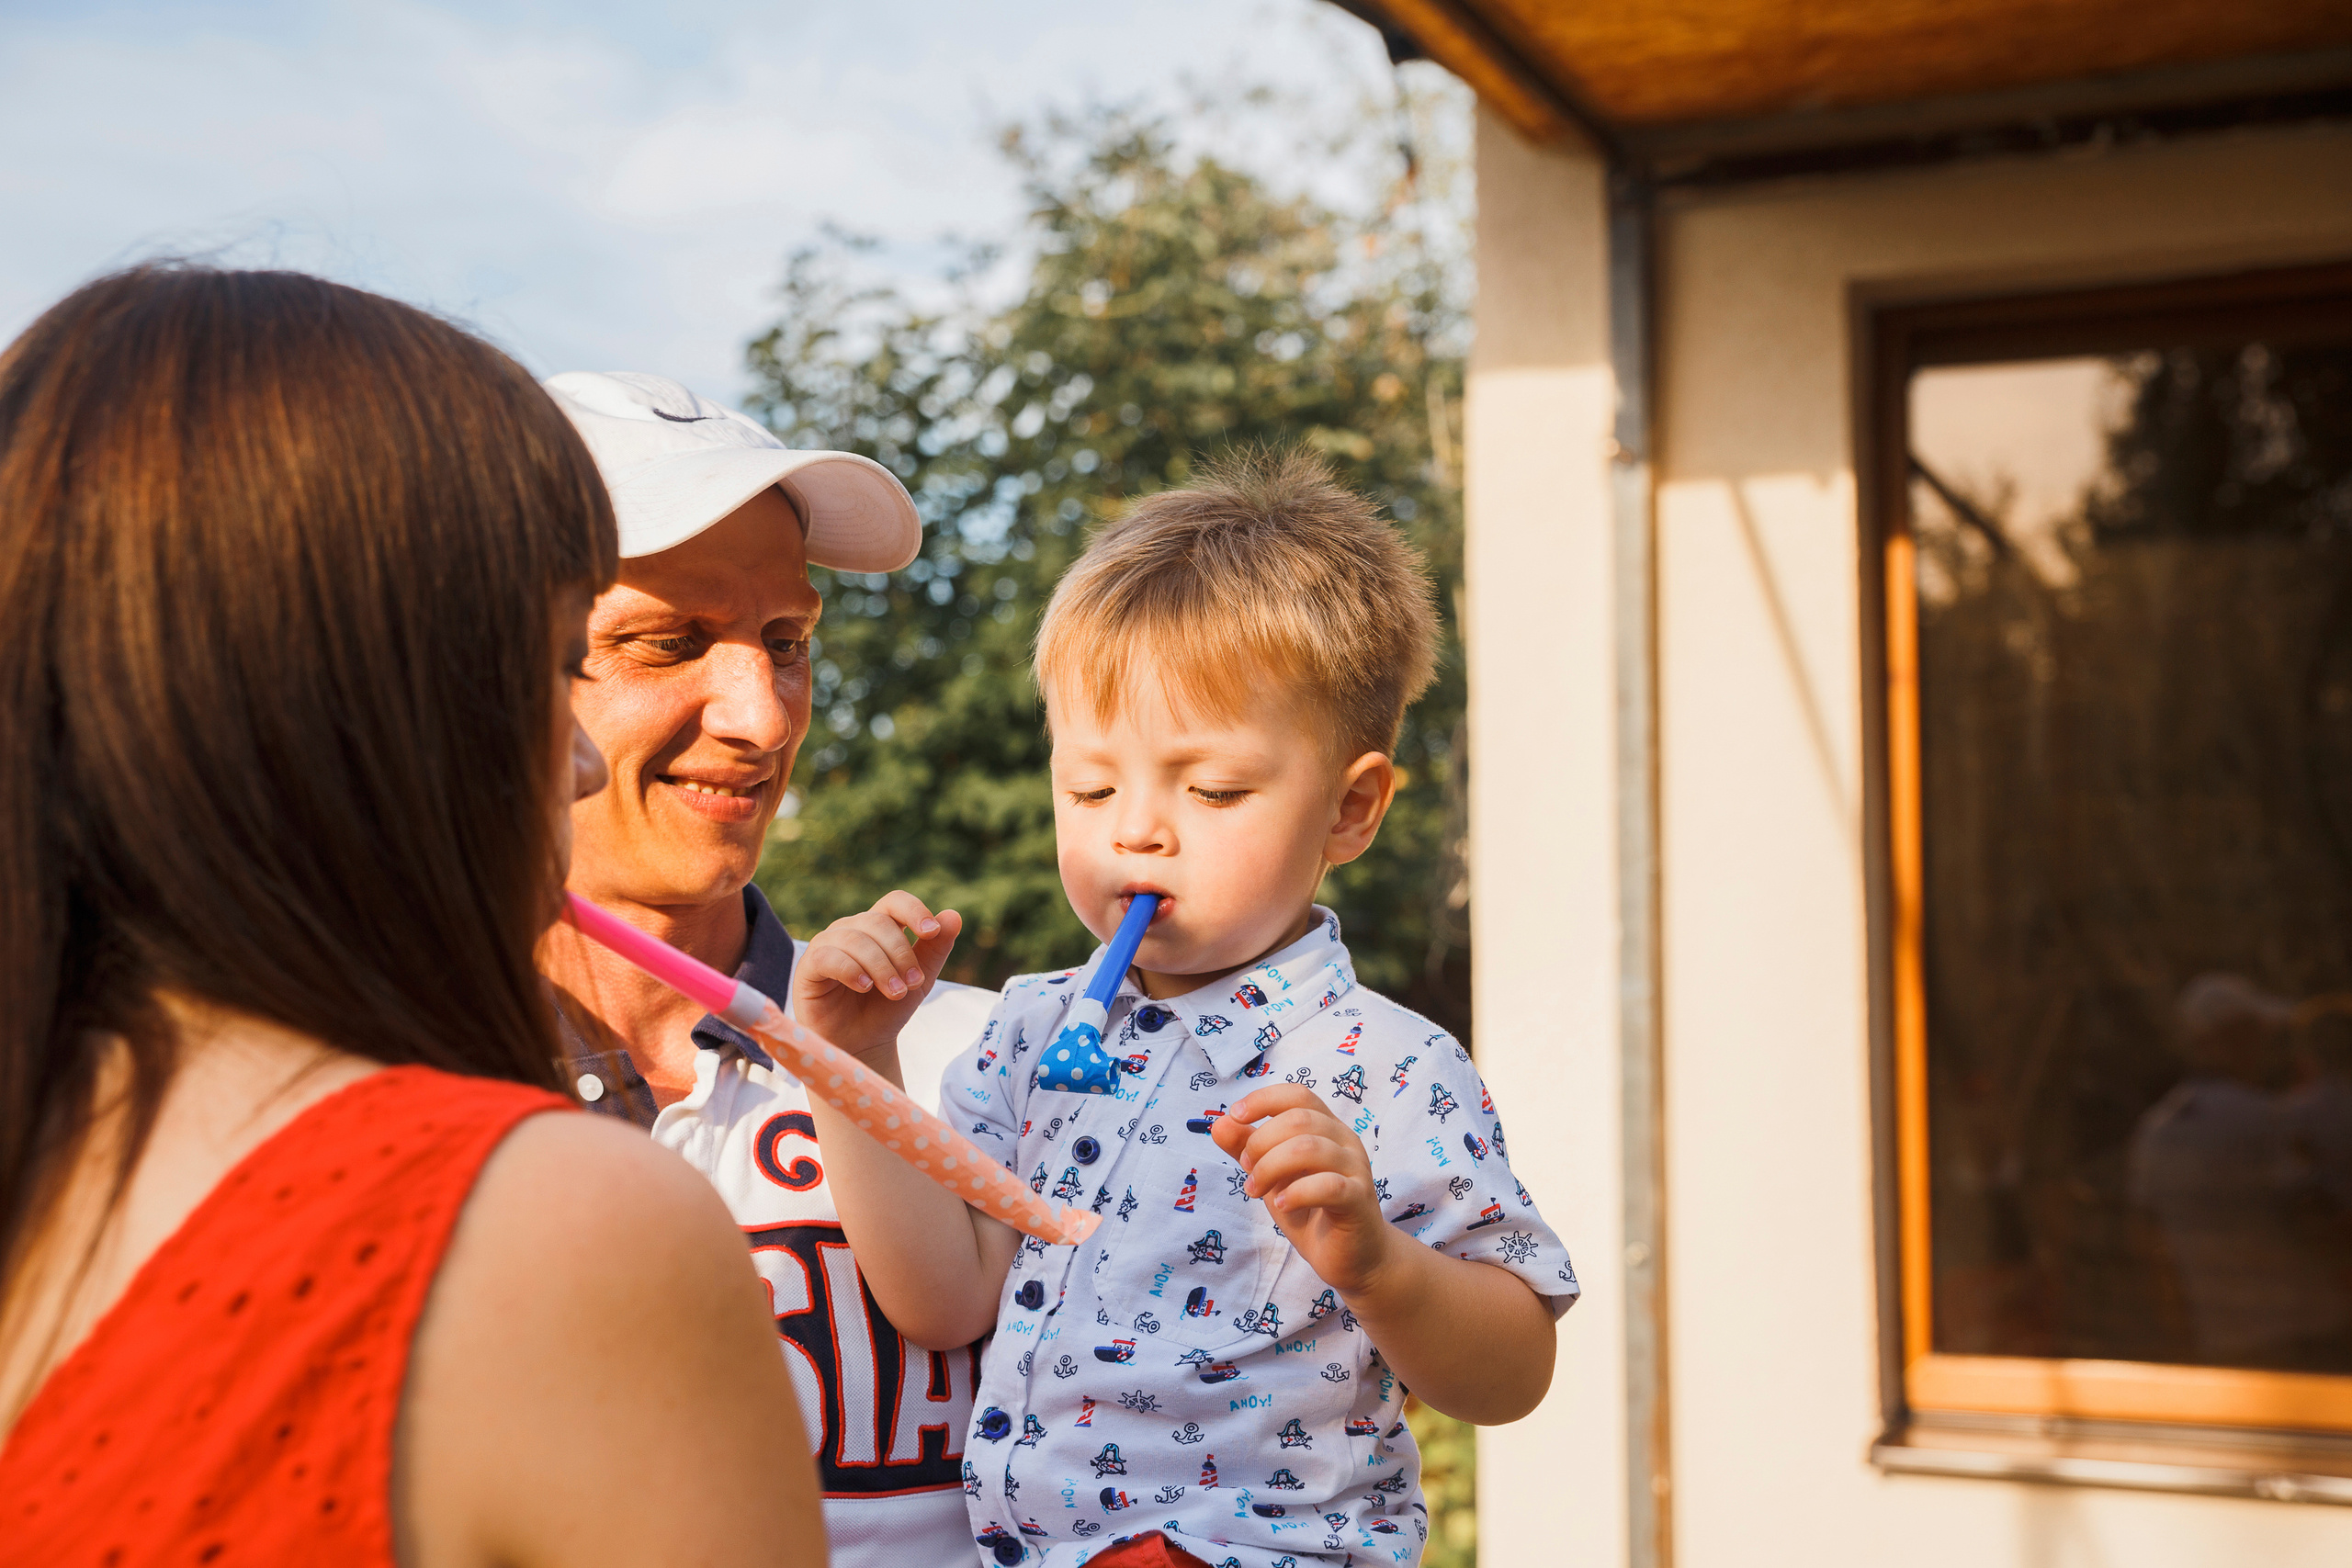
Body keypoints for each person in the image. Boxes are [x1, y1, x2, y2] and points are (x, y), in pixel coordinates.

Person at [0, 267, 824, 1567]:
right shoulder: (559, 1228)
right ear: (335, 695)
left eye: (790, 640)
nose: (561, 761)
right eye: (556, 662)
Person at [797, 452, 1577, 1568]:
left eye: (1210, 790)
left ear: (1350, 810)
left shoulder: (1388, 1067)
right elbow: (947, 1297)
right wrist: (856, 1055)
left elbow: (1511, 1378)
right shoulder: (1029, 1031)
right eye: (1091, 788)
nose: (1136, 832)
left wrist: (1374, 1262)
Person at [535, 371, 996, 1568]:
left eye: (786, 641)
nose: (764, 714)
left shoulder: (990, 1068)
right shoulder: (370, 1098)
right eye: (664, 639)